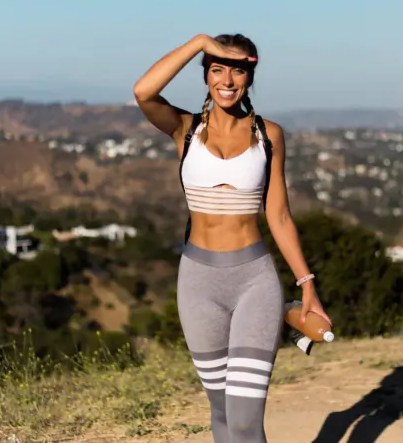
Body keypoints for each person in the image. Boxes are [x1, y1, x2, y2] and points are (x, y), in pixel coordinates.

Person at [133, 33, 331, 443]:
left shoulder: (268, 135)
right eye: (217, 68)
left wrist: (307, 285)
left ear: (249, 76)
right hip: (197, 285)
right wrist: (200, 42)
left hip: (254, 282)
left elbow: (278, 215)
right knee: (222, 412)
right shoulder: (185, 129)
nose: (227, 79)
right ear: (205, 74)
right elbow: (144, 91)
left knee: (243, 418)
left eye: (237, 69)